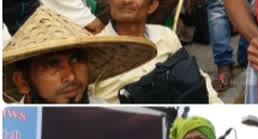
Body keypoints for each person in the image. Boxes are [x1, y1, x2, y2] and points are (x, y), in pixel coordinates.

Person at [86, 0, 220, 102]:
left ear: (152, 5)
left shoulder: (165, 36)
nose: (127, 0)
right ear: (111, 0)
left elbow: (195, 75)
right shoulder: (93, 50)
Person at [3, 7, 156, 103]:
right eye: (52, 64)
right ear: (22, 82)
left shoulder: (104, 115)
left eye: (76, 60)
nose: (70, 76)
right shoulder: (8, 132)